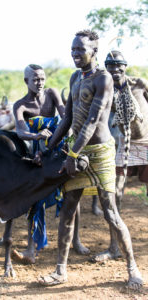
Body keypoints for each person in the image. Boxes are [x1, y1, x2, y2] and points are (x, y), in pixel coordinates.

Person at [38, 30, 142, 289]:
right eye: (72, 49)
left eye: (79, 50)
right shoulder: (76, 77)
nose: (74, 54)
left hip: (100, 153)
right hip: (78, 151)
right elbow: (69, 119)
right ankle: (60, 271)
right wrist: (49, 147)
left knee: (110, 212)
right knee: (68, 210)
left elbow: (94, 121)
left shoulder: (103, 79)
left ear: (93, 52)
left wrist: (73, 154)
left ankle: (133, 269)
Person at [11, 64, 89, 264]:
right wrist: (36, 135)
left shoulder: (52, 93)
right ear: (26, 81)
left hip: (59, 148)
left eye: (42, 78)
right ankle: (31, 249)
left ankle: (76, 241)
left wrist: (62, 139)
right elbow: (20, 131)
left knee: (71, 192)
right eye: (35, 79)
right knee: (34, 198)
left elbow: (65, 117)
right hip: (37, 155)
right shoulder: (20, 105)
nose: (40, 83)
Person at [105, 50, 148, 211]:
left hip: (147, 140)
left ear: (125, 66)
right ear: (106, 69)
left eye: (118, 66)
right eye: (110, 66)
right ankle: (117, 219)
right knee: (117, 185)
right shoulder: (106, 91)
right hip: (125, 142)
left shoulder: (139, 84)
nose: (115, 70)